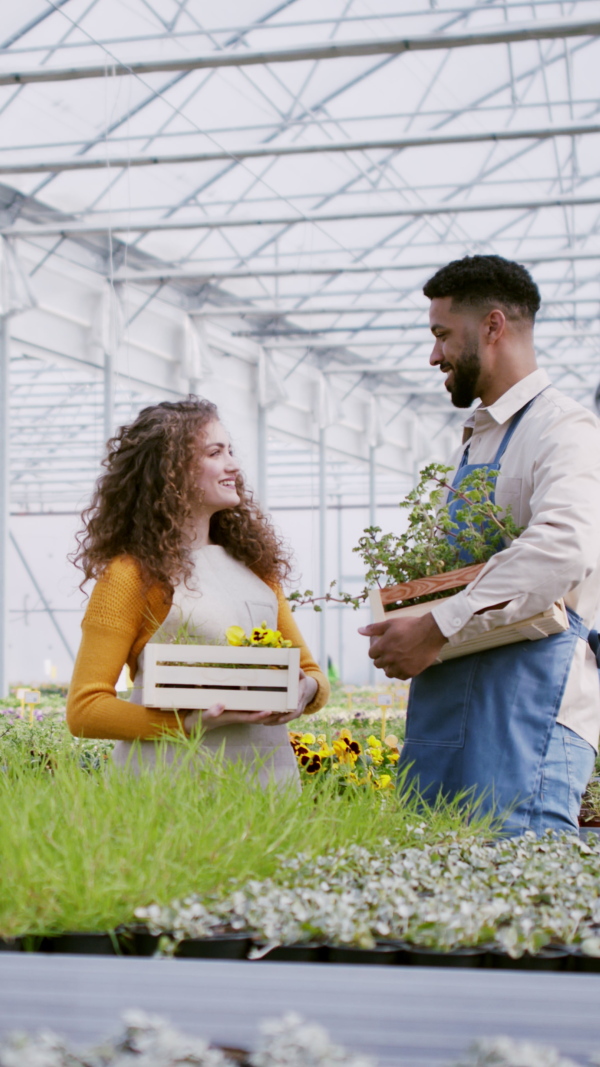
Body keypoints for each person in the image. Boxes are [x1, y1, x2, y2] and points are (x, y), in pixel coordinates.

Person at [359, 255, 600, 834]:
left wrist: (438, 626)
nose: (434, 354)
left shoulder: (563, 429)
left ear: (493, 327)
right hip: (453, 701)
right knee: (434, 874)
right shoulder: (476, 440)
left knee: (522, 889)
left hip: (529, 708)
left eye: (442, 334)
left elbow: (565, 544)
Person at [67, 397, 329, 787]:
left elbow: (311, 673)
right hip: (166, 787)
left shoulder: (256, 570)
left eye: (231, 450)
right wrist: (187, 724)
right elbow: (85, 710)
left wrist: (303, 691)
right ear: (170, 470)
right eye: (215, 452)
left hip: (267, 785)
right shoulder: (129, 576)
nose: (234, 465)